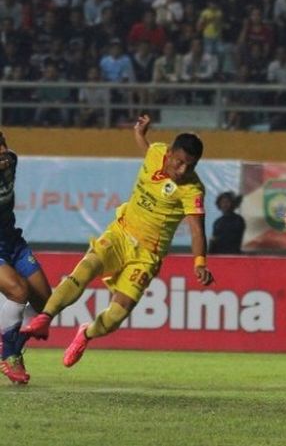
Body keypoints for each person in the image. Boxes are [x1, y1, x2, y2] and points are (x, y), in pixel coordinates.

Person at [21, 115, 214, 368]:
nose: (182, 171)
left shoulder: (193, 190)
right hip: (121, 232)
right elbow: (147, 151)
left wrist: (200, 263)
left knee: (116, 316)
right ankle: (45, 316)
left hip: (147, 254)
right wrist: (139, 133)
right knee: (87, 267)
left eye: (190, 166)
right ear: (169, 153)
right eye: (179, 162)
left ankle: (85, 334)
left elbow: (197, 231)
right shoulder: (156, 152)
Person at [0, 132, 52, 384]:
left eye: (3, 149)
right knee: (18, 291)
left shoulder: (11, 162)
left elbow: (10, 157)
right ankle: (9, 354)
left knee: (45, 302)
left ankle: (11, 341)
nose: (3, 155)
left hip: (13, 242)